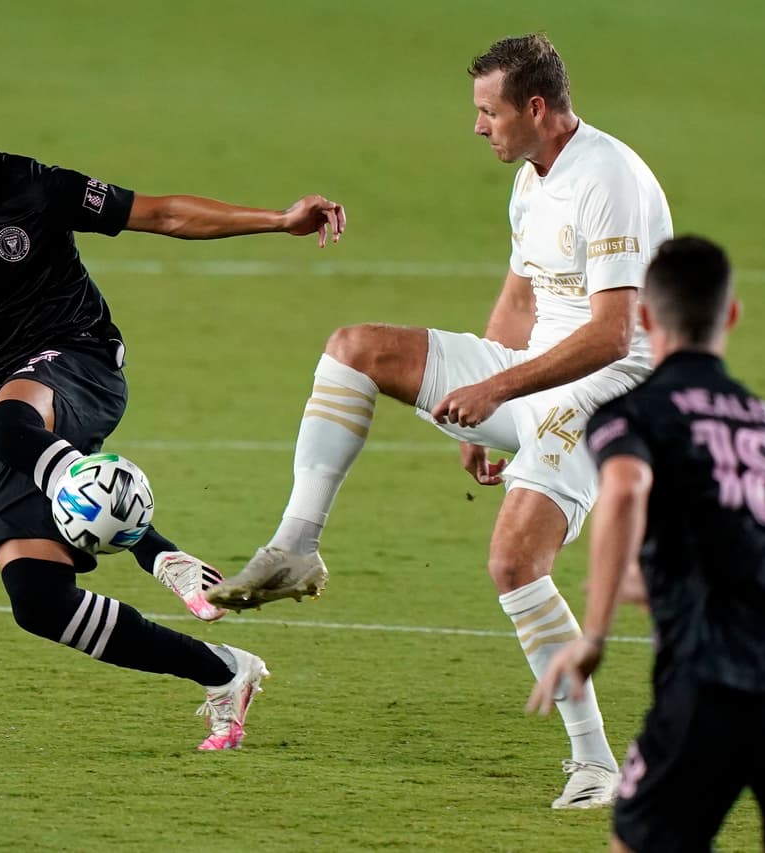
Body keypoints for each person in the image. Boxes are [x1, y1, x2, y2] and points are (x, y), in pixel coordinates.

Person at [0, 60, 346, 750]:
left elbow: (162, 212)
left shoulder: (37, 186)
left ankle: (152, 549)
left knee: (2, 423)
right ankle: (224, 671)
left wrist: (278, 219)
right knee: (36, 596)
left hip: (82, 360)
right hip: (25, 400)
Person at [207, 32, 672, 806]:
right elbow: (522, 298)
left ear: (534, 106)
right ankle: (295, 547)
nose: (478, 126)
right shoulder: (532, 177)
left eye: (488, 111)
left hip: (609, 390)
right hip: (538, 375)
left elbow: (613, 333)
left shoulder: (610, 176)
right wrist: (488, 404)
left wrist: (498, 394)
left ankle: (594, 763)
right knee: (355, 349)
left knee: (515, 560)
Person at [527, 236, 765, 852]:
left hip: (715, 684)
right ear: (731, 315)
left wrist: (593, 635)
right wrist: (654, 578)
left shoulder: (636, 411)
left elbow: (624, 487)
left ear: (646, 318)